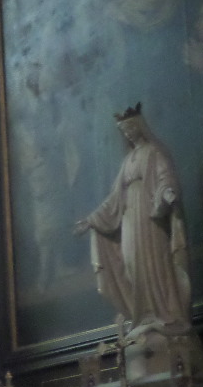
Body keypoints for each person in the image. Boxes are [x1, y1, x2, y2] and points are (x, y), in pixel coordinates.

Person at [73, 104, 192, 339]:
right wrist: (91, 220)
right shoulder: (128, 161)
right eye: (123, 130)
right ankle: (143, 315)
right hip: (129, 218)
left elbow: (165, 177)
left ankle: (163, 313)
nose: (127, 133)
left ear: (139, 127)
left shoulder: (154, 151)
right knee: (132, 263)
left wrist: (168, 194)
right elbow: (115, 198)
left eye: (129, 128)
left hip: (149, 217)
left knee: (154, 262)